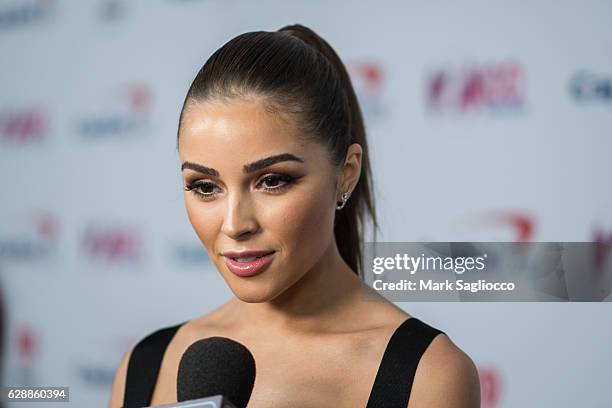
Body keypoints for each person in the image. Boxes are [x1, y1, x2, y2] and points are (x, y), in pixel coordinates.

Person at [108, 24, 480, 408]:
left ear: (346, 173)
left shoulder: (428, 375)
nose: (235, 225)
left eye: (272, 181)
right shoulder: (145, 364)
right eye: (205, 187)